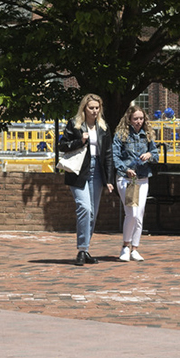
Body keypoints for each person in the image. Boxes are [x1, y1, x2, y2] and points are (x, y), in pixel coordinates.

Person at [55, 94, 115, 266]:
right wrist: (80, 141)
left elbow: (108, 155)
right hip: (79, 171)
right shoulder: (75, 125)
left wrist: (109, 179)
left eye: (97, 108)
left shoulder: (103, 127)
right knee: (84, 208)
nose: (94, 111)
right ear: (84, 108)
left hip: (97, 171)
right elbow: (62, 145)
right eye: (91, 108)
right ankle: (81, 249)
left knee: (93, 214)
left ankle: (85, 250)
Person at [111, 104, 161, 262]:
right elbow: (115, 155)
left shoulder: (147, 135)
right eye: (135, 119)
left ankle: (135, 249)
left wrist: (149, 154)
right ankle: (125, 246)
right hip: (126, 178)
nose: (139, 121)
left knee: (139, 215)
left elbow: (156, 154)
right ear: (129, 119)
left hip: (142, 177)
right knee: (131, 213)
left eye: (141, 118)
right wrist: (125, 169)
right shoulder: (121, 134)